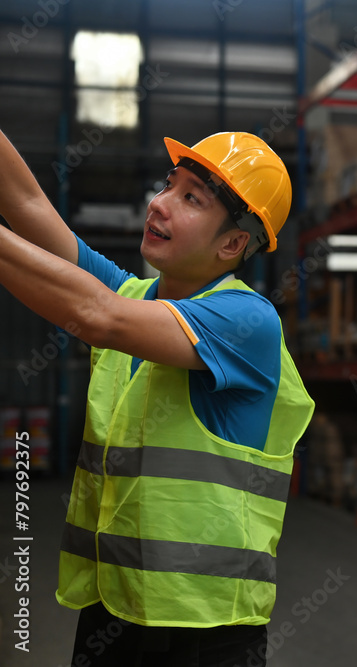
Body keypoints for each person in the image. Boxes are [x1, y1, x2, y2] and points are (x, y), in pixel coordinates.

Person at [0, 129, 315, 666]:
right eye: (170, 185)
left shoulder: (247, 320)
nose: (160, 204)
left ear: (233, 244)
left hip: (202, 631)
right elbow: (28, 206)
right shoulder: (131, 296)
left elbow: (99, 317)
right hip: (111, 610)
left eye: (191, 198)